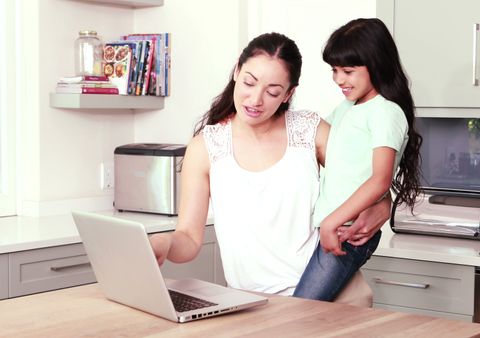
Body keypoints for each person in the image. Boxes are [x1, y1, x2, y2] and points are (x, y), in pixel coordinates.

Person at [149, 32, 389, 296]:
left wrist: (383, 205)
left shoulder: (309, 131)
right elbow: (189, 240)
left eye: (272, 92)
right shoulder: (206, 147)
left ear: (288, 94)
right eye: (249, 83)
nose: (255, 100)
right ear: (237, 72)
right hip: (249, 302)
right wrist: (166, 242)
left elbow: (368, 178)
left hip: (326, 295)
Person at [292, 18, 423, 301]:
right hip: (336, 226)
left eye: (348, 71)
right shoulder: (348, 107)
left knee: (301, 310)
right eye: (335, 70)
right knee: (311, 314)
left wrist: (330, 223)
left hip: (349, 232)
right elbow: (315, 147)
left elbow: (380, 179)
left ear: (375, 63)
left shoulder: (385, 113)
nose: (339, 79)